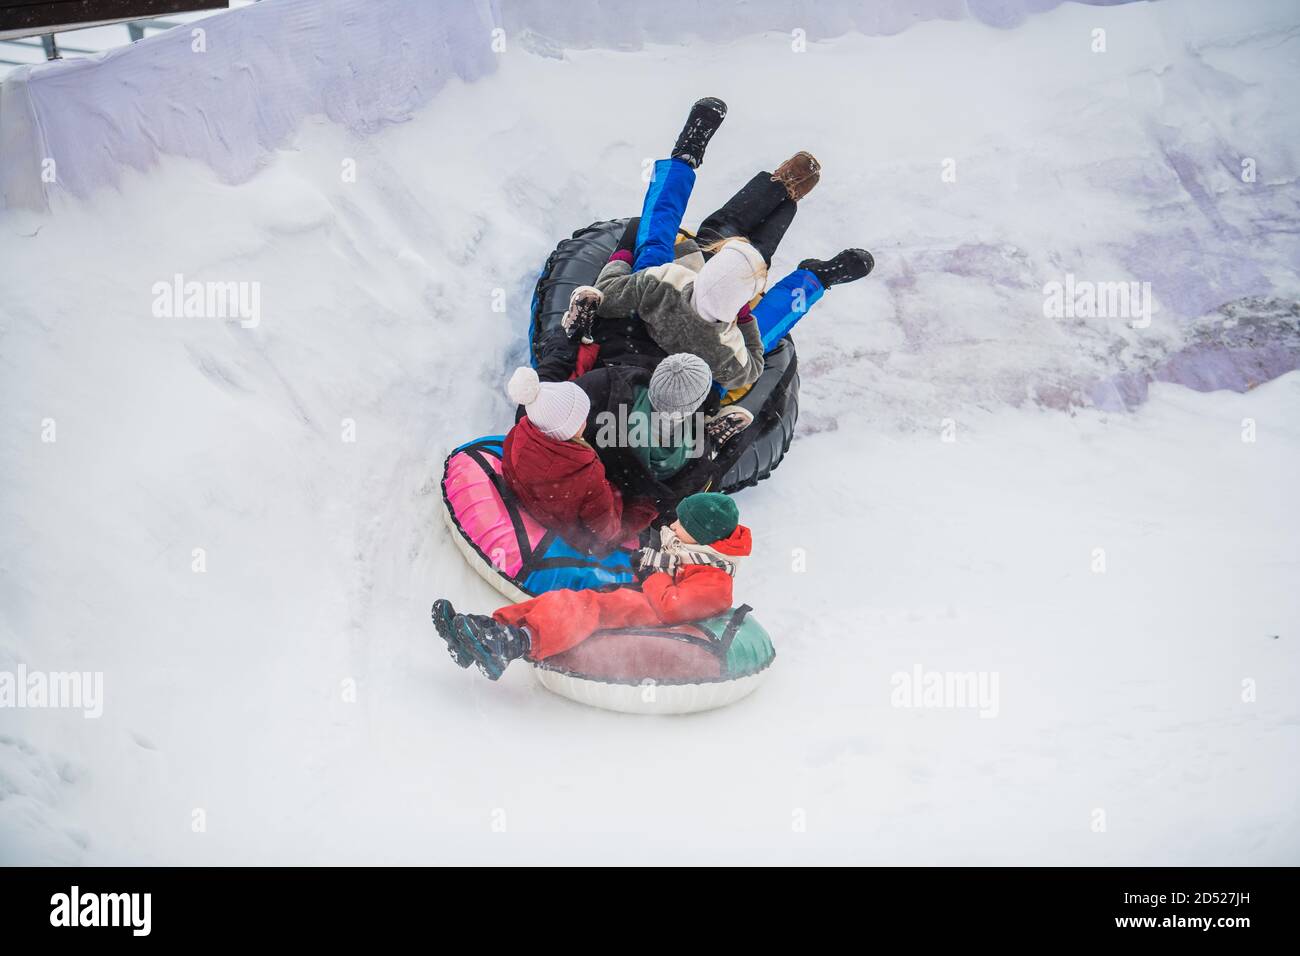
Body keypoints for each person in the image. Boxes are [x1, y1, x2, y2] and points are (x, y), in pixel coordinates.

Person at [567, 97, 875, 391]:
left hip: (655, 317)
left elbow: (610, 291)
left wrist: (623, 251)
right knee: (751, 284)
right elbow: (751, 364)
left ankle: (692, 157)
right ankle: (813, 270)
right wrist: (742, 318)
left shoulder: (659, 282)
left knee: (664, 240)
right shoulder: (723, 352)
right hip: (684, 363)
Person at [432, 492, 750, 679]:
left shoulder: (716, 580)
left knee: (580, 608)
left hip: (645, 613)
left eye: (684, 524)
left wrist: (653, 574)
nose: (674, 526)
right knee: (565, 597)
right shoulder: (691, 553)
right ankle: (486, 630)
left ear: (704, 535)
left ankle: (513, 642)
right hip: (637, 599)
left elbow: (671, 608)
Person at [500, 366, 657, 555]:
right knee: (646, 507)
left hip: (541, 503)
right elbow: (606, 531)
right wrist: (641, 510)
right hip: (571, 531)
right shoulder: (585, 474)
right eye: (580, 419)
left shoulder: (518, 433)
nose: (585, 421)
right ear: (563, 429)